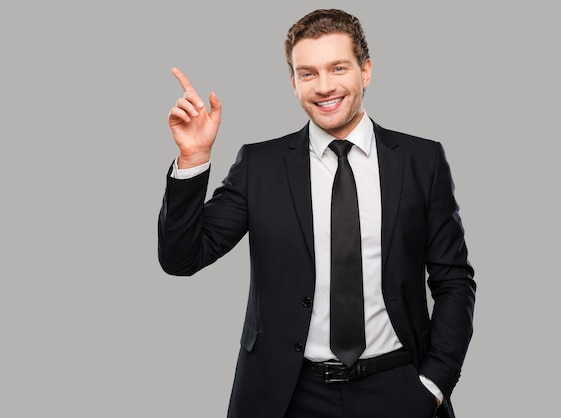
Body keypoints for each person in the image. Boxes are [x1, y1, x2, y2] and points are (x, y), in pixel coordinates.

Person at [158, 8, 476, 418]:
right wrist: (194, 157)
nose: (324, 87)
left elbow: (454, 279)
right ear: (293, 83)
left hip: (397, 388)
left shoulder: (421, 159)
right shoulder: (261, 165)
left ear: (366, 71)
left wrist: (432, 384)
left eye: (337, 68)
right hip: (286, 395)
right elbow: (181, 259)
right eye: (307, 73)